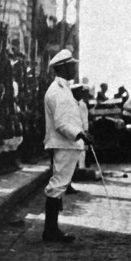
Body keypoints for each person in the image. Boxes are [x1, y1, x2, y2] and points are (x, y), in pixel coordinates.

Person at [42, 49, 93, 243]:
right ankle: (50, 230)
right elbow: (61, 123)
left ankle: (52, 229)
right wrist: (79, 134)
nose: (74, 68)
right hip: (64, 143)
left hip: (68, 143)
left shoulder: (64, 90)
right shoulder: (57, 91)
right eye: (71, 65)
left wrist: (80, 134)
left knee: (59, 185)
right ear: (63, 67)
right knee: (57, 185)